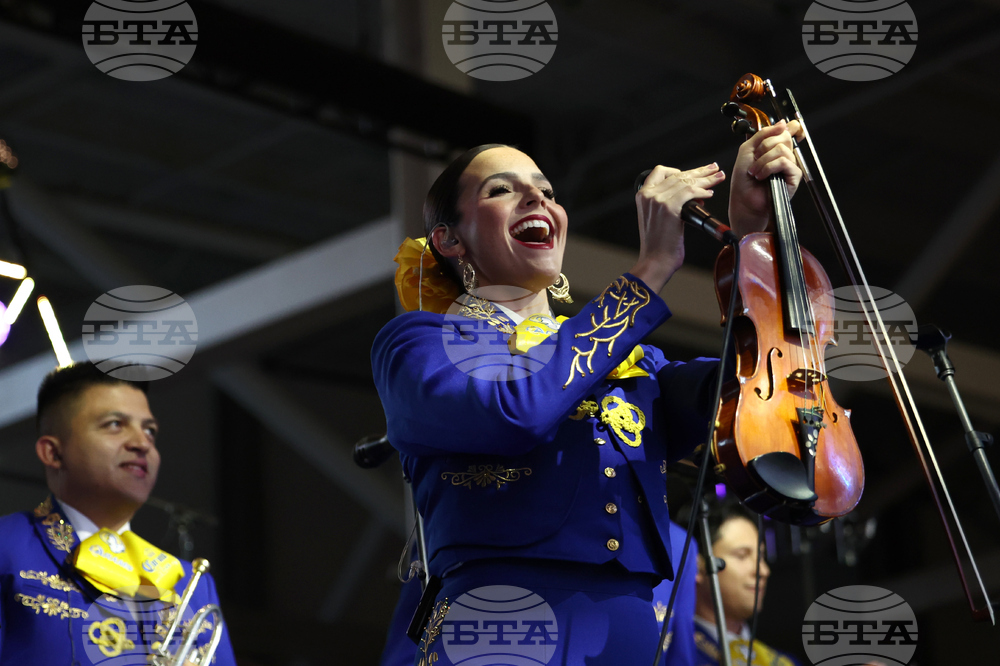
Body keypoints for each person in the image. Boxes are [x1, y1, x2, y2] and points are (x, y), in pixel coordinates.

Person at [371, 120, 802, 665]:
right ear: (450, 240)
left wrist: (754, 238)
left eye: (548, 191)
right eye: (502, 189)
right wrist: (648, 271)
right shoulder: (421, 341)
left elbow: (760, 394)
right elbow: (515, 413)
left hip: (631, 629)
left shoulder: (636, 360)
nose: (537, 197)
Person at [0, 362, 237, 665]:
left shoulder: (190, 582)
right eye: (114, 424)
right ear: (53, 452)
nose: (142, 443)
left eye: (149, 431)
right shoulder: (7, 548)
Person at [688, 498, 800, 666]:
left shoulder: (783, 662)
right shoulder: (673, 654)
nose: (763, 571)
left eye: (761, 556)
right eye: (742, 555)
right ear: (698, 566)